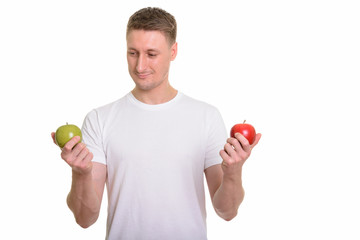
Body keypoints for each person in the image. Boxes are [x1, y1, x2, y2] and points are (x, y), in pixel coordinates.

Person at [51, 7, 261, 240]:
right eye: (133, 53)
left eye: (151, 54)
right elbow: (84, 218)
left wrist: (233, 171)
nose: (140, 66)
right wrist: (80, 174)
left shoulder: (206, 116)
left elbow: (227, 211)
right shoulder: (99, 119)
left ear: (173, 52)